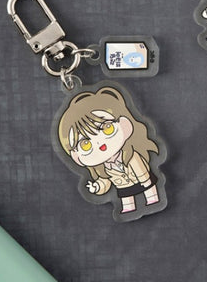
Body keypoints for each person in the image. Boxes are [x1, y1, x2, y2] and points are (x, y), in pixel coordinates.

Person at [57, 86, 161, 215]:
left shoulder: (131, 155)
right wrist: (97, 187)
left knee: (151, 193)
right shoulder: (103, 169)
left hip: (143, 180)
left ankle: (152, 198)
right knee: (126, 199)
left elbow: (139, 167)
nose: (99, 142)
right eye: (85, 144)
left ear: (124, 124)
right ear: (76, 157)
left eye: (107, 128)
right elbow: (104, 181)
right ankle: (129, 208)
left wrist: (145, 180)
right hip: (123, 187)